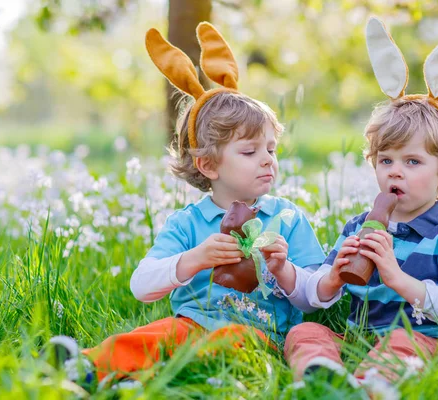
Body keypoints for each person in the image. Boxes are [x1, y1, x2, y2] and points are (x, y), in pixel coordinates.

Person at [44, 22, 325, 389]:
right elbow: (142, 286)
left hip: (259, 336)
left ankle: (143, 384)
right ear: (208, 165)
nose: (268, 160)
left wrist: (284, 268)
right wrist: (197, 258)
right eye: (250, 151)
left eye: (271, 149)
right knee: (155, 336)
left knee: (223, 346)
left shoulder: (286, 219)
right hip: (190, 323)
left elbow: (318, 298)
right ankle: (82, 369)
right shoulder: (188, 224)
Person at [284, 16, 438, 386]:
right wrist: (330, 280)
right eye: (386, 160)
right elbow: (312, 296)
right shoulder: (358, 227)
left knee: (399, 341)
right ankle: (322, 378)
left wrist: (396, 276)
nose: (395, 172)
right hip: (358, 341)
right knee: (305, 333)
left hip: (418, 341)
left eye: (412, 162)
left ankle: (375, 384)